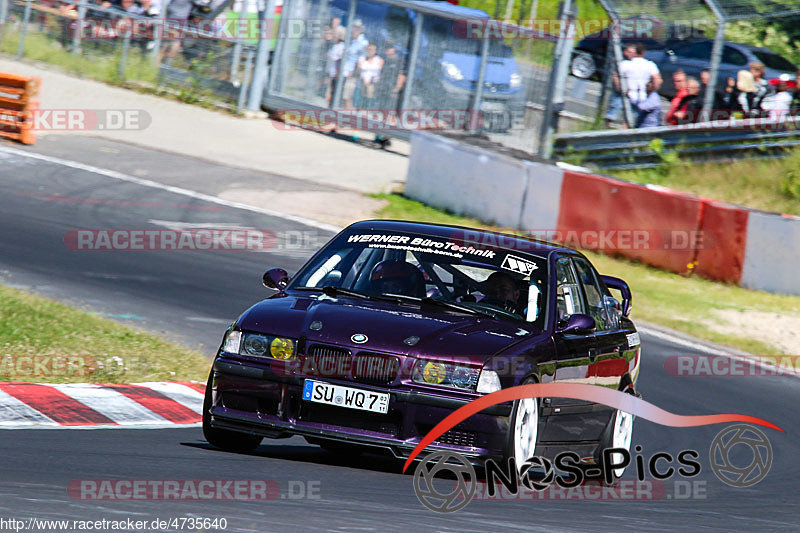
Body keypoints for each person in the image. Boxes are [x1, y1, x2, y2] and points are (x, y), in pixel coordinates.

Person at [619, 42, 662, 114]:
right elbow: (658, 80)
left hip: (629, 94)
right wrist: (652, 91)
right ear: (643, 52)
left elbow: (616, 76)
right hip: (643, 96)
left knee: (628, 120)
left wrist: (620, 89)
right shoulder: (650, 65)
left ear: (635, 52)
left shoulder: (625, 64)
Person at [342, 20, 369, 109]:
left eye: (356, 28)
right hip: (346, 72)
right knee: (344, 95)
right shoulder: (353, 41)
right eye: (353, 27)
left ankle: (348, 115)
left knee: (348, 95)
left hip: (353, 73)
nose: (353, 29)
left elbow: (362, 60)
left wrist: (353, 72)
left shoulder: (363, 42)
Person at [355, 43, 384, 108]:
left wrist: (371, 79)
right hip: (362, 80)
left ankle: (368, 107)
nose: (371, 51)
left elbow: (379, 71)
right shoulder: (362, 59)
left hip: (373, 81)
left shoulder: (379, 60)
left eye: (373, 50)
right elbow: (358, 69)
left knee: (370, 92)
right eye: (369, 49)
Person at [324, 26, 346, 106]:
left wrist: (336, 74)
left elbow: (339, 61)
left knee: (332, 95)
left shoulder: (341, 46)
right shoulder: (335, 45)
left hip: (335, 75)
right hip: (331, 72)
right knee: (328, 94)